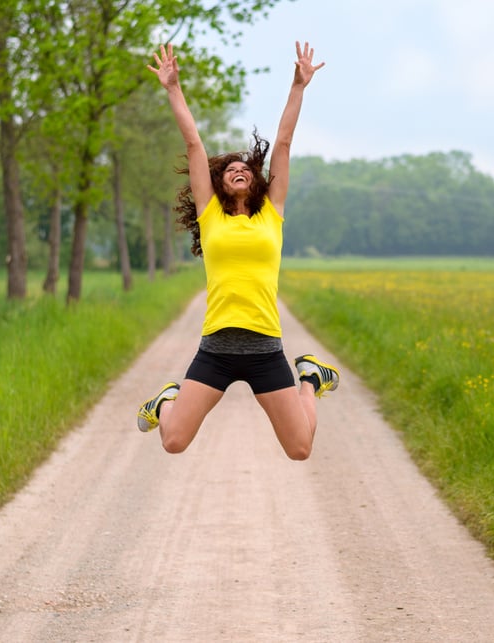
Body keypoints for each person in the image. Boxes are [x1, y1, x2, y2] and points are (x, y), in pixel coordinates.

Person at [137, 41, 339, 460]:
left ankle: (310, 379)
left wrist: (298, 87)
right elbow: (194, 145)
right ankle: (165, 402)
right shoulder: (211, 215)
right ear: (218, 183)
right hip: (217, 349)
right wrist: (173, 88)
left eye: (245, 168)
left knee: (300, 448)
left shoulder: (272, 214)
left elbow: (282, 144)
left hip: (266, 347)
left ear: (257, 180)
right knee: (173, 441)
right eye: (230, 170)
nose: (238, 171)